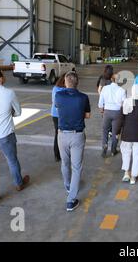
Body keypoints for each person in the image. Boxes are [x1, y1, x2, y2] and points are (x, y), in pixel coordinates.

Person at [0, 68, 30, 208]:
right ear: (1, 79)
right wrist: (9, 113)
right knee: (12, 160)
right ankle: (19, 184)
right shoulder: (9, 93)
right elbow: (18, 112)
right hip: (4, 134)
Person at [55, 71, 91, 212]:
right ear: (77, 83)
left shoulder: (58, 95)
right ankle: (70, 200)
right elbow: (87, 115)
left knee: (65, 163)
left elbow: (59, 110)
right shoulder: (83, 97)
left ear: (65, 82)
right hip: (77, 135)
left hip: (62, 135)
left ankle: (68, 185)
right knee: (76, 167)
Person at [98, 73, 126, 158]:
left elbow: (100, 103)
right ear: (119, 81)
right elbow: (123, 104)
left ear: (111, 79)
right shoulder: (122, 90)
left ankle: (104, 146)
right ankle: (113, 150)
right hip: (117, 113)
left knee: (105, 130)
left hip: (107, 112)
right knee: (115, 132)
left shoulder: (105, 88)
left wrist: (102, 111)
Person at [51, 74, 66, 162]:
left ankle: (57, 155)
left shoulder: (55, 88)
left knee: (57, 134)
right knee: (63, 135)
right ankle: (62, 153)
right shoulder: (65, 90)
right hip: (62, 115)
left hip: (54, 114)